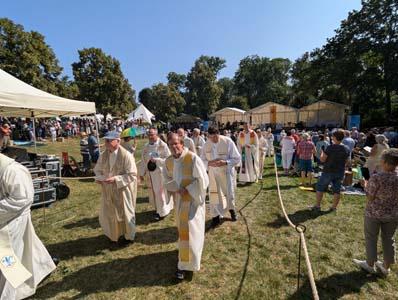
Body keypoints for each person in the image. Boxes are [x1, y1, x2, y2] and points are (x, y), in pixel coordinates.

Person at [0, 153, 56, 299]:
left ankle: (10, 294)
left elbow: (22, 198)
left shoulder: (13, 170)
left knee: (8, 258)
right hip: (6, 220)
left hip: (11, 222)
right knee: (29, 248)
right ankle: (43, 267)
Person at [162, 133, 209, 280]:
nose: (174, 147)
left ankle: (187, 264)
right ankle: (184, 262)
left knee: (191, 232)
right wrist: (175, 188)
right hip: (180, 201)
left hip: (193, 201)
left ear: (182, 144)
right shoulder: (168, 161)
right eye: (171, 144)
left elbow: (203, 181)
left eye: (176, 143)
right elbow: (166, 179)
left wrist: (188, 190)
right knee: (183, 232)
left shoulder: (192, 158)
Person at [353, 149, 398, 275]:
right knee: (389, 239)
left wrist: (365, 185)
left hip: (374, 213)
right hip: (393, 214)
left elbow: (370, 197)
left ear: (384, 162)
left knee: (371, 238)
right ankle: (386, 267)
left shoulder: (377, 177)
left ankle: (370, 264)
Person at [94, 131, 137, 245]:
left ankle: (129, 237)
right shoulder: (103, 155)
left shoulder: (126, 155)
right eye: (106, 140)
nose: (106, 143)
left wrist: (116, 179)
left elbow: (132, 174)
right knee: (110, 213)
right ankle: (114, 235)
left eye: (109, 140)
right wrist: (99, 178)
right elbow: (97, 169)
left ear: (118, 141)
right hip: (108, 190)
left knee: (126, 213)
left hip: (123, 191)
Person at [201, 127, 241, 227]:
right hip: (213, 174)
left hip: (225, 172)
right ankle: (215, 217)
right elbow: (202, 160)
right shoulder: (206, 145)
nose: (214, 140)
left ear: (218, 133)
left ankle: (232, 210)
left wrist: (226, 162)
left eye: (215, 137)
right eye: (211, 137)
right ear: (208, 136)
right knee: (214, 195)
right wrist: (209, 162)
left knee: (228, 193)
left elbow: (237, 158)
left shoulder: (227, 141)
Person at [310, 129, 350, 212]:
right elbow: (347, 162)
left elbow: (322, 159)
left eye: (333, 136)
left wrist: (321, 152)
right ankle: (334, 207)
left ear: (334, 137)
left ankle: (317, 206)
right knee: (337, 190)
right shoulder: (346, 148)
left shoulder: (330, 147)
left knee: (320, 187)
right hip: (340, 172)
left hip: (328, 171)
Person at [140, 128, 173, 221]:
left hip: (159, 173)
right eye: (149, 134)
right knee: (153, 193)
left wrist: (157, 160)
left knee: (160, 193)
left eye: (152, 134)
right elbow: (143, 160)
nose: (150, 136)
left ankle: (161, 212)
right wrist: (141, 173)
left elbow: (169, 159)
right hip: (150, 174)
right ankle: (157, 209)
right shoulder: (146, 146)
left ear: (156, 135)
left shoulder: (162, 145)